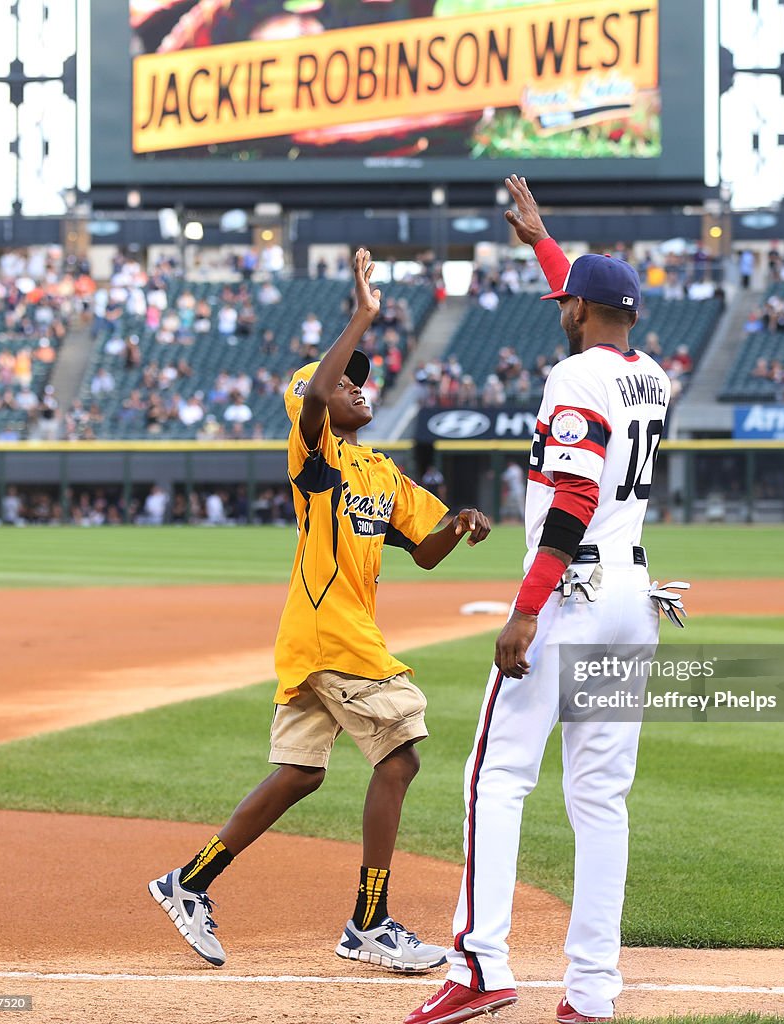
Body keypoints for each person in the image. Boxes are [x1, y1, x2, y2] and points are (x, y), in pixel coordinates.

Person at [149, 250, 492, 972]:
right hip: (330, 635)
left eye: (362, 383)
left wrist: (457, 525)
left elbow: (422, 552)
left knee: (301, 773)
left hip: (331, 638)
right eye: (346, 384)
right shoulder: (317, 456)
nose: (359, 391)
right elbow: (312, 402)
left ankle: (189, 881)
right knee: (399, 756)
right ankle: (368, 923)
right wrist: (362, 315)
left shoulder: (379, 471)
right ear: (320, 401)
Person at [408, 178, 680, 1024]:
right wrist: (544, 243)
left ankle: (481, 964)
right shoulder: (653, 376)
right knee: (601, 798)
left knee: (496, 775)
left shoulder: (572, 374)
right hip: (636, 594)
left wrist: (526, 609)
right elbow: (587, 303)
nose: (560, 306)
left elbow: (569, 499)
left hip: (572, 593)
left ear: (579, 314)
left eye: (567, 300)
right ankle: (592, 995)